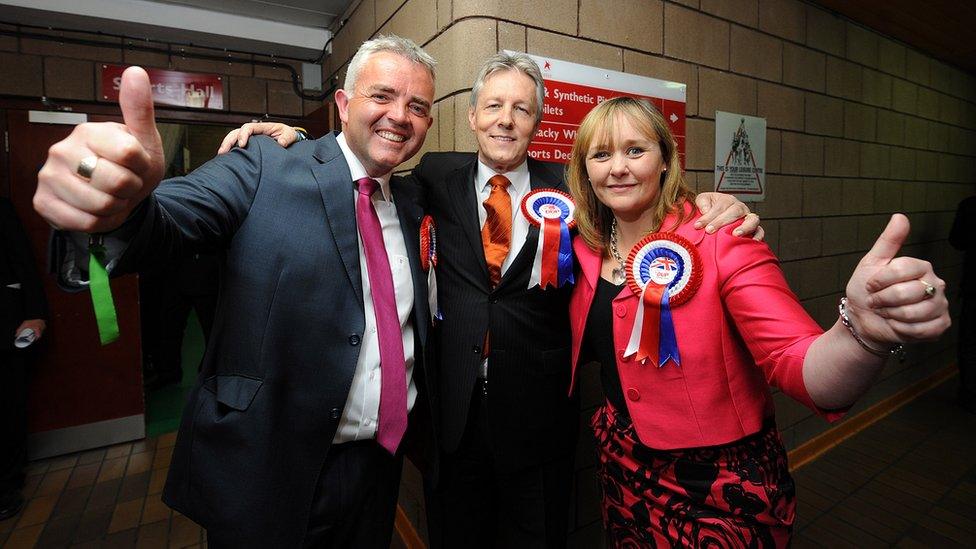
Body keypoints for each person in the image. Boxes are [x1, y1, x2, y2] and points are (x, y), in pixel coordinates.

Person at [222, 52, 762, 548]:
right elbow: (362, 166)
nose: (506, 119)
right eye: (494, 106)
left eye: (522, 109)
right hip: (451, 422)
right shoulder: (432, 177)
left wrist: (712, 205)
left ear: (537, 123)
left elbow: (643, 212)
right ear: (474, 116)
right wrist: (294, 139)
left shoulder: (576, 191)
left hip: (539, 421)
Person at [34, 35, 437, 547]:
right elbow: (166, 221)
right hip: (266, 467)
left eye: (417, 106)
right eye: (381, 96)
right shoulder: (262, 164)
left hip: (377, 468)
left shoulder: (414, 199)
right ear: (343, 104)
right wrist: (115, 210)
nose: (399, 115)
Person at [565, 97, 950, 546]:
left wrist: (860, 334)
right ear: (585, 170)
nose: (618, 168)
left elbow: (796, 361)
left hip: (718, 483)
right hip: (622, 466)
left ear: (666, 160)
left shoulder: (723, 238)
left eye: (635, 150)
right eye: (601, 154)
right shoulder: (580, 246)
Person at [0, 197, 49, 521]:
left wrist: (35, 313)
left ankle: (6, 483)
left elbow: (23, 260)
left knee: (6, 402)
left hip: (5, 318)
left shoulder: (2, 207)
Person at [950, 196, 976, 413]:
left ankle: (969, 395)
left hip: (973, 287)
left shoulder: (970, 205)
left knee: (969, 342)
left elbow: (956, 240)